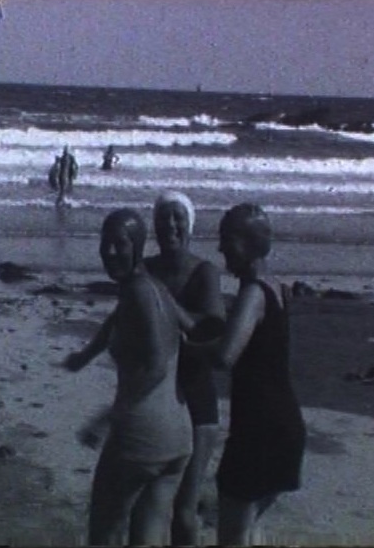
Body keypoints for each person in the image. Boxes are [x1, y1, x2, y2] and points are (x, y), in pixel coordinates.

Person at [69, 191, 226, 544]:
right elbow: (120, 318)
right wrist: (87, 353)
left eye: (120, 244)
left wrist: (106, 418)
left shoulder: (188, 276)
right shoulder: (147, 279)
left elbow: (160, 361)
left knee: (110, 532)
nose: (110, 252)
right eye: (105, 243)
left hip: (168, 414)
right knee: (151, 530)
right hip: (176, 426)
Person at [185, 203, 306, 546]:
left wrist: (188, 348)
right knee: (250, 525)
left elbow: (225, 356)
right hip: (286, 424)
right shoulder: (278, 288)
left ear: (249, 243)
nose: (221, 248)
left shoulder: (253, 294)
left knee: (233, 534)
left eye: (228, 239)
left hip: (259, 430)